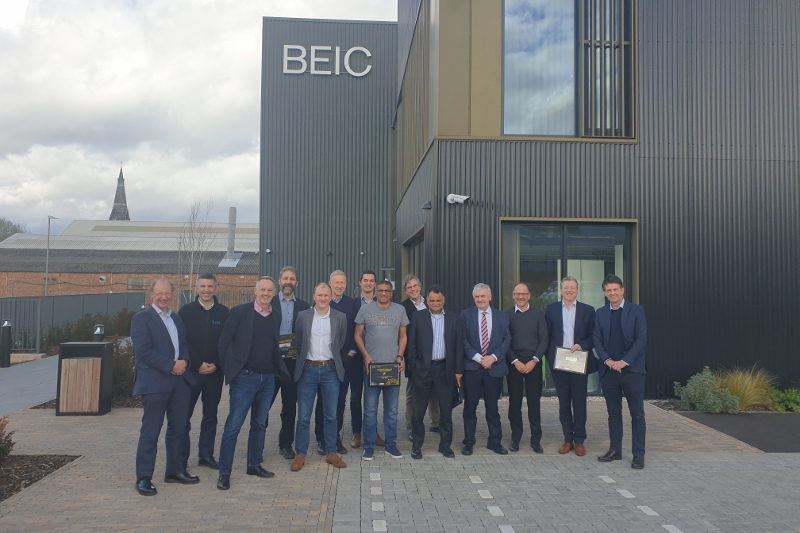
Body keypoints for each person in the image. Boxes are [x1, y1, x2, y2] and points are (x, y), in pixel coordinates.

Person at [215, 277, 291, 490]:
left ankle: (254, 464)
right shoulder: (239, 312)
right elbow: (224, 343)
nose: (266, 293)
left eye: (269, 290)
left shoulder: (276, 316)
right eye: (262, 290)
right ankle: (224, 472)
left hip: (267, 379)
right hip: (245, 378)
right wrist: (230, 370)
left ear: (274, 292)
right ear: (255, 291)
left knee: (259, 424)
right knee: (233, 426)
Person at [131, 278, 198, 496]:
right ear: (151, 295)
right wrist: (171, 366)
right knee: (151, 432)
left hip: (179, 384)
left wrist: (184, 363)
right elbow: (143, 351)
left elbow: (184, 345)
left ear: (172, 295)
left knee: (179, 429)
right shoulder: (141, 319)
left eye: (167, 293)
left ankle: (175, 471)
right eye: (159, 293)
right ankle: (143, 477)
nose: (163, 297)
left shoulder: (176, 318)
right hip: (155, 384)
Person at [290, 282, 348, 472]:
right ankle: (300, 454)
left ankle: (331, 452)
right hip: (308, 370)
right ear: (314, 297)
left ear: (331, 297)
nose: (323, 298)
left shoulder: (340, 317)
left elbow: (339, 343)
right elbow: (298, 342)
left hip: (331, 369)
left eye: (326, 295)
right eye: (319, 295)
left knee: (331, 415)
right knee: (304, 416)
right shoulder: (303, 316)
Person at [594, 274, 647, 469]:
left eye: (616, 289)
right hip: (609, 371)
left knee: (637, 415)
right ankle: (615, 450)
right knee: (613, 413)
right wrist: (608, 360)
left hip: (632, 371)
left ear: (622, 290)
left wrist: (624, 362)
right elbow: (596, 340)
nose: (612, 293)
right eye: (608, 290)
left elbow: (641, 340)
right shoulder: (600, 313)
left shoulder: (637, 311)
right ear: (605, 293)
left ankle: (638, 455)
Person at [178, 273, 229, 471]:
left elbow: (226, 342)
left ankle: (205, 455)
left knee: (210, 416)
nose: (206, 290)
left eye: (210, 286)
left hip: (215, 374)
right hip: (191, 373)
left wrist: (216, 364)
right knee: (184, 417)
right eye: (203, 286)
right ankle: (181, 457)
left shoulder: (224, 313)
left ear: (216, 288)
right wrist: (197, 363)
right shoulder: (185, 312)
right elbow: (183, 342)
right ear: (196, 289)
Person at [406, 285, 463, 459]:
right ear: (427, 301)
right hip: (423, 370)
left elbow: (459, 347)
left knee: (445, 411)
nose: (435, 303)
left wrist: (458, 371)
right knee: (418, 412)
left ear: (443, 300)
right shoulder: (417, 317)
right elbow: (411, 346)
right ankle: (417, 446)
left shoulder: (454, 318)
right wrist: (415, 367)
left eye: (438, 300)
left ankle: (445, 446)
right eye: (432, 300)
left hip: (445, 369)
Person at [355, 279, 409, 460]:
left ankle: (391, 445)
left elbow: (403, 336)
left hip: (392, 367)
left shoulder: (399, 310)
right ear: (376, 292)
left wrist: (400, 356)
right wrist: (366, 356)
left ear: (392, 293)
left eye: (387, 291)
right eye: (381, 290)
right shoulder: (365, 310)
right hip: (372, 367)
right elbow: (357, 335)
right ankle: (369, 445)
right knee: (370, 409)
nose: (384, 293)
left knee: (392, 410)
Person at [544, 276, 596, 457]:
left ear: (577, 290)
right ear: (560, 290)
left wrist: (582, 345)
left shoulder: (588, 311)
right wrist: (551, 360)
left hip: (579, 362)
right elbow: (547, 337)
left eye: (572, 288)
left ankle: (579, 441)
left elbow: (593, 336)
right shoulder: (551, 310)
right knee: (564, 403)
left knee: (580, 403)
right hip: (559, 363)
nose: (569, 290)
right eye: (566, 287)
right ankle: (567, 439)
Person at [459, 283, 511, 456]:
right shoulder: (465, 315)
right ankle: (468, 442)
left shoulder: (502, 317)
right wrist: (478, 358)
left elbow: (506, 340)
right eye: (477, 297)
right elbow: (463, 340)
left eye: (483, 296)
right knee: (469, 407)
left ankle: (495, 442)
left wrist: (493, 358)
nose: (480, 300)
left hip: (493, 368)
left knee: (493, 408)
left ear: (490, 297)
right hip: (473, 368)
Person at [314, 270, 360, 454]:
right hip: (324, 360)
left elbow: (357, 329)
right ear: (330, 284)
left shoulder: (352, 304)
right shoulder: (323, 301)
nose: (339, 285)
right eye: (336, 282)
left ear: (346, 284)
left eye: (342, 282)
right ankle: (320, 439)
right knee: (322, 401)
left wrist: (352, 351)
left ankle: (335, 438)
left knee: (340, 400)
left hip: (344, 361)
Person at [268, 266, 310, 460]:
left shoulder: (304, 306)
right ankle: (256, 442)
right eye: (285, 278)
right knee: (263, 405)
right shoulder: (268, 302)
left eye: (292, 279)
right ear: (279, 281)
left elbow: (306, 334)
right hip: (270, 363)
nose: (288, 281)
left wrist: (300, 352)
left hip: (292, 363)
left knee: (289, 406)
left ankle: (285, 444)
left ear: (297, 283)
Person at [505, 283, 548, 453]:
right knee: (514, 403)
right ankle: (515, 438)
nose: (520, 297)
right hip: (514, 364)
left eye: (524, 294)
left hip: (534, 364)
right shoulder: (506, 315)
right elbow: (504, 341)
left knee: (534, 403)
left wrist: (534, 360)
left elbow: (544, 340)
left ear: (529, 295)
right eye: (517, 294)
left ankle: (535, 440)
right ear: (513, 295)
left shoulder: (538, 315)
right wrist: (515, 361)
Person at [401, 274, 440, 442]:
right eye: (409, 287)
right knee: (413, 394)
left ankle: (436, 422)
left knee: (435, 392)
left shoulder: (433, 301)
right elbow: (404, 335)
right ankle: (411, 426)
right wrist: (409, 360)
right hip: (415, 358)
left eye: (415, 286)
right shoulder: (403, 308)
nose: (413, 289)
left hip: (436, 355)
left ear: (420, 286)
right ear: (406, 291)